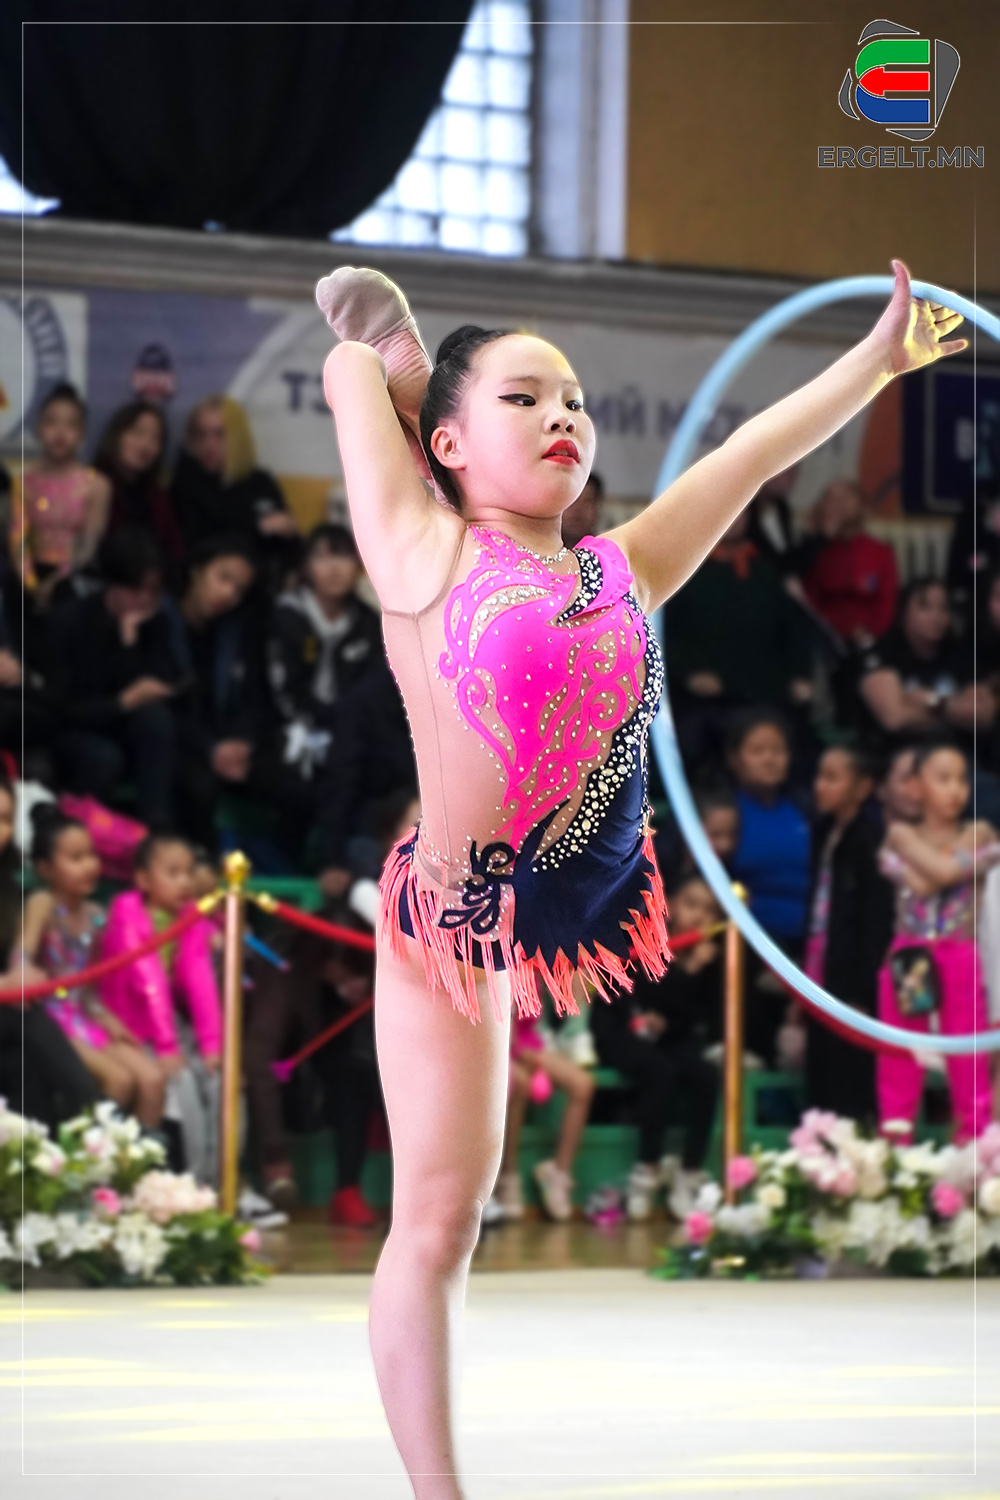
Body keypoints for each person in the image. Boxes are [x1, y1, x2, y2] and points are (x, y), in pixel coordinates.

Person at [316, 256, 965, 1495]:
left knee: (461, 1212)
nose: (561, 414)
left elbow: (756, 452)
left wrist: (879, 359)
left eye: (572, 397)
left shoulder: (623, 568)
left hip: (566, 903)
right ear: (444, 445)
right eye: (521, 399)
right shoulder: (419, 551)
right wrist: (395, 362)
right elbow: (343, 358)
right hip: (450, 917)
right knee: (439, 1220)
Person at [876, 737, 1000, 1145]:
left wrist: (929, 864)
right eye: (943, 779)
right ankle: (895, 1149)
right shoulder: (900, 833)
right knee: (901, 1058)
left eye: (961, 780)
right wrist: (953, 864)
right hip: (910, 955)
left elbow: (935, 878)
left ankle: (977, 1154)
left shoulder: (980, 832)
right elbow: (933, 879)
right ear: (916, 787)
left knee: (968, 1060)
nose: (955, 790)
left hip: (959, 953)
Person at [14, 806, 166, 1125]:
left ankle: (140, 1156)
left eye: (92, 855)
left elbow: (90, 989)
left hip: (83, 1016)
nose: (89, 866)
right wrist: (23, 974)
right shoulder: (43, 903)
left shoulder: (97, 915)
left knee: (152, 1080)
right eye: (76, 858)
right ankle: (87, 1153)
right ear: (45, 868)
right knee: (120, 1082)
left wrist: (109, 1020)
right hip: (50, 1018)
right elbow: (21, 957)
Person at [589, 872, 722, 1222]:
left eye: (707, 910)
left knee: (706, 1076)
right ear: (673, 903)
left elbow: (692, 1017)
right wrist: (649, 1015)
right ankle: (646, 1168)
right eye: (691, 904)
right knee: (660, 1071)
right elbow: (630, 995)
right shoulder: (645, 933)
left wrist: (693, 970)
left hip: (666, 1040)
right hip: (619, 1030)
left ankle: (689, 1171)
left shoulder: (707, 956)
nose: (698, 915)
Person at [99, 833, 222, 1181]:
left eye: (189, 872)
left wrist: (212, 1045)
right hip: (133, 1027)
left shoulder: (190, 917)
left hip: (173, 1024)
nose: (185, 882)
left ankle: (222, 1181)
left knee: (219, 1079)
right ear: (143, 879)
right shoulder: (127, 912)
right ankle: (194, 1181)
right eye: (173, 873)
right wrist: (168, 1048)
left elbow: (201, 984)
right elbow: (147, 979)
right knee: (183, 1083)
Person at [49, 528, 184, 828]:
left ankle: (155, 828)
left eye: (153, 591)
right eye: (136, 589)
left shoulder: (156, 623)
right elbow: (62, 707)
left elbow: (164, 681)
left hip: (126, 725)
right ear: (114, 583)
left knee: (157, 721)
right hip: (76, 726)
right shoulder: (70, 621)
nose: (144, 599)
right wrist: (121, 703)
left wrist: (129, 643)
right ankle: (85, 835)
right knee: (103, 757)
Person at [664, 506, 814, 768]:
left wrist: (800, 674)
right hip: (704, 699)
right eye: (728, 508)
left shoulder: (764, 569)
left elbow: (792, 628)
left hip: (765, 692)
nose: (734, 518)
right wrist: (688, 674)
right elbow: (664, 633)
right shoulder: (684, 569)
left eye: (742, 512)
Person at [0, 780, 100, 1129]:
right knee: (26, 1021)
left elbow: (19, 956)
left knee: (21, 1062)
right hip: (9, 1006)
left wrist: (20, 977)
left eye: (6, 820)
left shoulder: (9, 890)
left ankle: (42, 1154)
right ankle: (99, 1124)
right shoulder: (34, 900)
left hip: (10, 1012)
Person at [802, 747, 894, 1124]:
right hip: (818, 966)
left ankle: (854, 1148)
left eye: (833, 778)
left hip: (852, 979)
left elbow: (876, 923)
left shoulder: (872, 841)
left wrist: (863, 992)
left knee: (849, 1075)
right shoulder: (822, 830)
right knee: (819, 1070)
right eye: (819, 776)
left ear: (863, 786)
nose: (820, 786)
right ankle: (816, 1147)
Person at [267, 522, 385, 778]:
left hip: (351, 732)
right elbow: (280, 688)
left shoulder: (367, 622)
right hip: (287, 728)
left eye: (343, 556)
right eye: (321, 558)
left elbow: (371, 689)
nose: (334, 568)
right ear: (306, 567)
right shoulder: (287, 617)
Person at [492, 992, 596, 1222]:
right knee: (520, 1083)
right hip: (498, 1044)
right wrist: (517, 1049)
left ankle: (558, 1174)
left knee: (583, 1085)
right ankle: (507, 1175)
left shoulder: (536, 973)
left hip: (531, 1043)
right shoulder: (498, 972)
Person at [170, 395, 299, 581]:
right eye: (201, 435)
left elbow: (288, 538)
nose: (209, 445)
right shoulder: (186, 483)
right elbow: (201, 542)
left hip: (266, 584)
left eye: (219, 435)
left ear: (237, 438)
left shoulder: (261, 482)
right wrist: (259, 527)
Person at [857, 578, 986, 754]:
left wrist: (930, 700)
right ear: (903, 612)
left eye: (943, 608)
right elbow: (895, 719)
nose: (936, 616)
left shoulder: (960, 653)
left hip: (955, 753)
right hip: (894, 756)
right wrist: (957, 712)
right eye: (925, 607)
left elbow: (983, 716)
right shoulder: (882, 653)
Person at [10, 383, 111, 604]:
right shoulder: (23, 483)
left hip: (75, 575)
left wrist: (54, 584)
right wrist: (31, 584)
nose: (60, 432)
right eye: (51, 422)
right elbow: (18, 540)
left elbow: (88, 545)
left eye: (71, 424)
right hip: (29, 574)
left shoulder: (97, 485)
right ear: (38, 428)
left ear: (82, 432)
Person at [799, 479, 898, 651]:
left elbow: (887, 605)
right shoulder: (815, 551)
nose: (839, 504)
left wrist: (870, 632)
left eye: (846, 497)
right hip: (826, 641)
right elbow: (809, 602)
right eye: (831, 498)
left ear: (861, 505)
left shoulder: (881, 552)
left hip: (871, 640)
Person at [94, 400, 185, 565]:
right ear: (116, 435)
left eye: (155, 438)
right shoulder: (92, 485)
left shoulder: (159, 498)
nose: (145, 445)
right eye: (137, 433)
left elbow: (175, 552)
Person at [560, 469, 604, 548]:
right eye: (572, 501)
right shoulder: (541, 551)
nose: (577, 510)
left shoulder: (605, 552)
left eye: (587, 501)